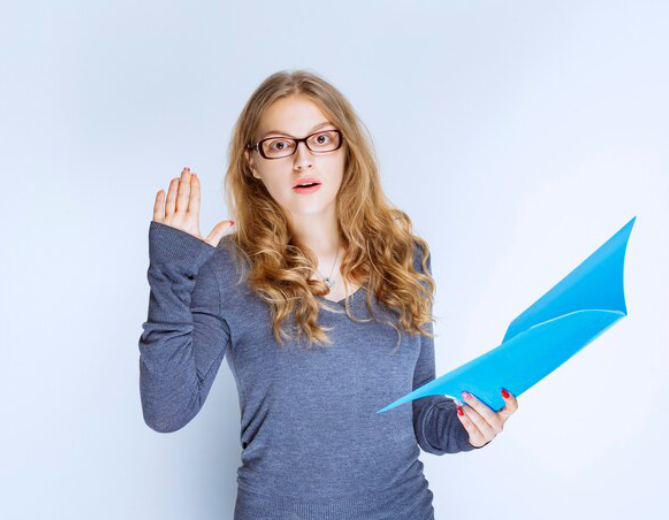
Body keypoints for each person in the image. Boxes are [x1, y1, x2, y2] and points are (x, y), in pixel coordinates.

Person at [139, 69, 518, 520]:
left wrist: (470, 429)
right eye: (280, 145)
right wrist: (170, 272)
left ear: (346, 150)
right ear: (252, 163)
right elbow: (167, 412)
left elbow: (420, 410)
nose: (303, 161)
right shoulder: (226, 270)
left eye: (321, 139)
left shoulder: (406, 258)